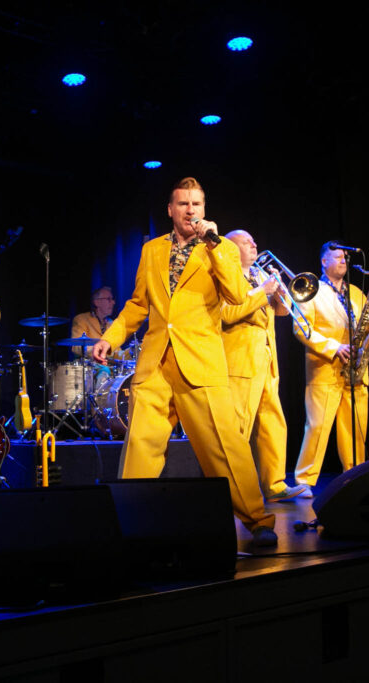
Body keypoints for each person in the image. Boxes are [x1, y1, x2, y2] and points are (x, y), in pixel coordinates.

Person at [92, 177, 278, 547]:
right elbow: (138, 304)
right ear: (170, 210)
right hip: (156, 361)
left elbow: (238, 293)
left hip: (200, 361)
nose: (190, 210)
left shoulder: (220, 249)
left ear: (204, 209)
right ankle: (126, 522)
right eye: (183, 204)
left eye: (196, 204)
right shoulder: (152, 250)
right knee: (141, 446)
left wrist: (215, 244)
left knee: (225, 448)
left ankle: (257, 520)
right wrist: (110, 337)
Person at [221, 230, 307, 503]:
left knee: (272, 422)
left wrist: (279, 293)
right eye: (247, 241)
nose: (254, 244)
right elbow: (225, 313)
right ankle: (234, 490)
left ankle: (275, 484)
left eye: (254, 240)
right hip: (240, 359)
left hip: (267, 359)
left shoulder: (259, 275)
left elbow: (280, 313)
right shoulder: (226, 276)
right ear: (232, 248)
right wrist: (262, 291)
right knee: (238, 428)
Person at [292, 241, 369, 496]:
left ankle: (356, 474)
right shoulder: (311, 290)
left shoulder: (356, 292)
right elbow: (301, 328)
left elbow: (364, 328)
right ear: (323, 262)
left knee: (355, 428)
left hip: (356, 369)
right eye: (337, 257)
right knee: (317, 428)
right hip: (325, 367)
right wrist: (333, 347)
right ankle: (304, 481)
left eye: (345, 257)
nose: (343, 260)